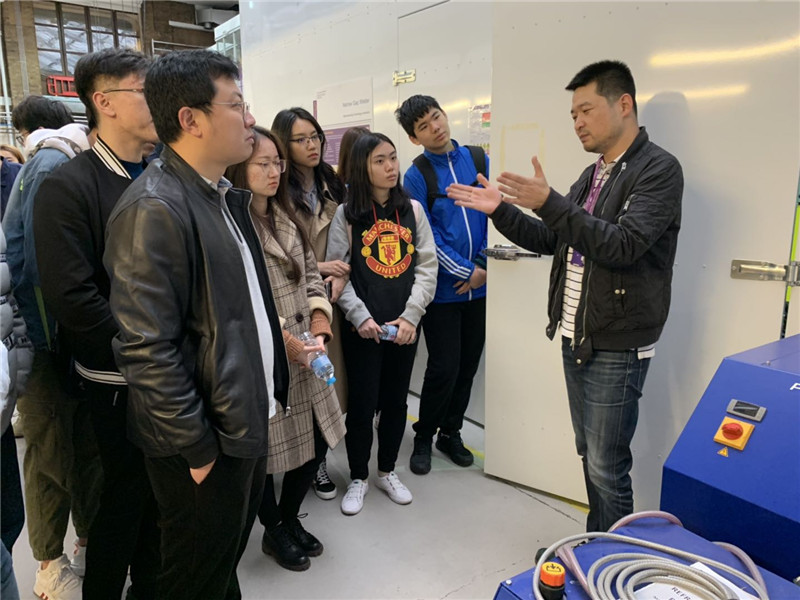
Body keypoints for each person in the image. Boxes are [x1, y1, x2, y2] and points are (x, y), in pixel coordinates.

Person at [446, 60, 683, 532]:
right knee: (590, 453)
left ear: (624, 104)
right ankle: (598, 545)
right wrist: (501, 211)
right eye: (573, 114)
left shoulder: (658, 169)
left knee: (607, 464)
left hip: (618, 340)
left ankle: (611, 559)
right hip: (578, 334)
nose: (577, 122)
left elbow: (623, 245)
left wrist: (550, 202)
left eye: (586, 110)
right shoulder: (593, 175)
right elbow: (553, 240)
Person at [104, 49, 289, 600]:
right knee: (190, 577)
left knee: (218, 568)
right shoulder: (155, 207)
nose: (250, 118)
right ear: (191, 119)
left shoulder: (219, 196)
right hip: (206, 443)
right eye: (236, 105)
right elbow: (146, 348)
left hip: (240, 423)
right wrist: (198, 449)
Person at [33, 48, 161, 599]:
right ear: (103, 101)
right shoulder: (70, 185)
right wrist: (148, 355)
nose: (158, 103)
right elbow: (73, 297)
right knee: (121, 500)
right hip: (118, 378)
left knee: (161, 501)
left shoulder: (161, 173)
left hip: (170, 369)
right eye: (145, 92)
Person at [225, 126, 345, 571]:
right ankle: (274, 528)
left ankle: (290, 518)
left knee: (314, 441)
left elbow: (312, 277)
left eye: (278, 162)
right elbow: (241, 303)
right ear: (240, 167)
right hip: (267, 357)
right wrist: (292, 345)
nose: (274, 172)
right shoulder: (231, 226)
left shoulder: (285, 215)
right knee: (267, 454)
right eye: (263, 163)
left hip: (308, 353)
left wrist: (320, 327)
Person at [2, 96, 99, 600]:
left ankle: (83, 542)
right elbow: (45, 271)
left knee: (78, 449)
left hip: (56, 338)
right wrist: (59, 343)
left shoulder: (56, 161)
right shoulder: (51, 165)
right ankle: (48, 564)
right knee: (49, 456)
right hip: (45, 343)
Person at [326, 132, 437, 516]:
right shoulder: (346, 215)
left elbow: (427, 267)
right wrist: (360, 317)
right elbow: (339, 274)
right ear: (362, 167)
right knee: (362, 404)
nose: (391, 167)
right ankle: (358, 476)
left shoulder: (413, 210)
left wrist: (411, 316)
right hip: (363, 328)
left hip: (404, 327)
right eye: (380, 160)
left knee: (395, 402)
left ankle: (386, 471)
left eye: (392, 157)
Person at [394, 94, 489, 475]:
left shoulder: (478, 159)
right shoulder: (416, 176)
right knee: (443, 368)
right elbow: (425, 237)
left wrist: (482, 266)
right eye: (423, 126)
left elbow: (495, 213)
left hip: (482, 290)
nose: (435, 127)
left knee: (467, 367)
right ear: (414, 137)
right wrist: (465, 271)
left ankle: (451, 433)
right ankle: (424, 435)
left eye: (436, 117)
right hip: (443, 294)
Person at [272, 107, 348, 501]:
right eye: (300, 140)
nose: (311, 145)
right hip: (291, 300)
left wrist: (339, 272)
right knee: (301, 387)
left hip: (330, 300)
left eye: (315, 136)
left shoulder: (332, 185)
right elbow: (277, 255)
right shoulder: (276, 192)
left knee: (330, 384)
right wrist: (319, 266)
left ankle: (318, 459)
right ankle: (302, 466)